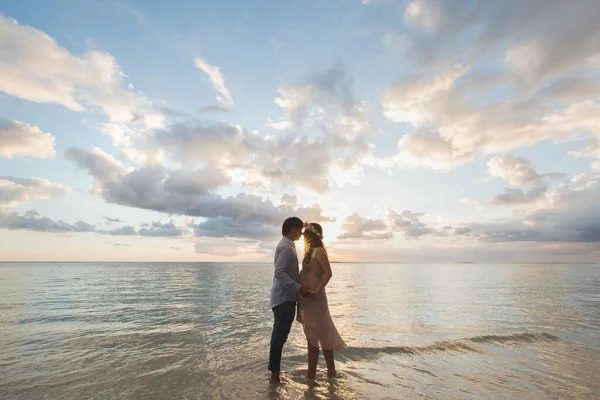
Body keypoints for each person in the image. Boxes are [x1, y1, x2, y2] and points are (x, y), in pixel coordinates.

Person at [297, 222, 346, 380]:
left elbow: (328, 273)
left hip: (316, 299)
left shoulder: (318, 251)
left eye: (305, 232)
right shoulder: (308, 251)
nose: (303, 234)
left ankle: (320, 374)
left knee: (322, 335)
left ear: (312, 233)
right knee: (312, 335)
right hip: (306, 300)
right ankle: (314, 374)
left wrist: (317, 289)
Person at [268, 217, 310, 384]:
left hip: (284, 297)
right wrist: (299, 288)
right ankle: (274, 376)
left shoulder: (287, 245)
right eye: (300, 229)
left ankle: (274, 374)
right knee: (280, 336)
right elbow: (279, 273)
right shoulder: (286, 247)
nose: (301, 233)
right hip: (284, 298)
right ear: (292, 228)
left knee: (279, 336)